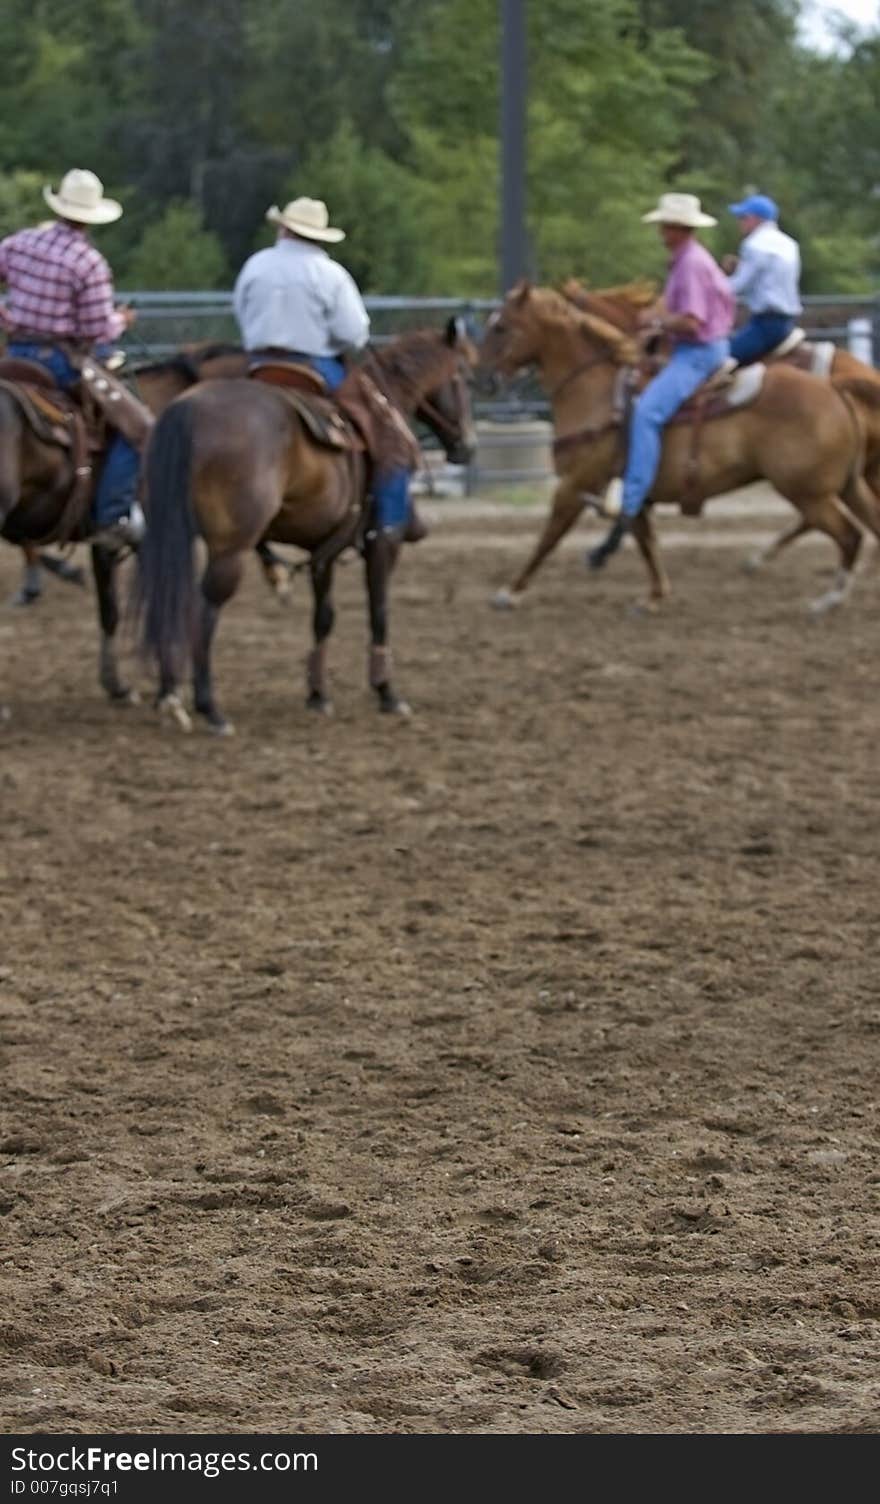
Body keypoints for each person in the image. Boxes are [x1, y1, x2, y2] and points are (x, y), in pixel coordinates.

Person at [233, 196, 426, 542]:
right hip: (313, 367)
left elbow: (241, 311)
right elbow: (354, 334)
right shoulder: (329, 274)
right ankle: (389, 522)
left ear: (283, 228)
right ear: (319, 236)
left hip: (259, 366)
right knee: (388, 432)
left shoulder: (255, 265)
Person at [0, 169, 145, 545]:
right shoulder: (89, 262)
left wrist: (7, 318)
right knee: (137, 427)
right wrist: (122, 320)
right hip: (60, 362)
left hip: (14, 353)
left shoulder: (20, 243)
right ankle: (114, 515)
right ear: (91, 217)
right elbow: (97, 329)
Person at [595, 193, 734, 547]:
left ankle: (632, 499)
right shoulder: (688, 259)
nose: (660, 230)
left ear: (676, 228)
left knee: (646, 412)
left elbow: (690, 321)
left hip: (698, 352)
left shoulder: (689, 264)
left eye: (664, 225)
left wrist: (656, 321)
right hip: (700, 347)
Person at [723, 194, 802, 366]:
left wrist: (710, 285)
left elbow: (737, 286)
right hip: (786, 321)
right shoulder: (789, 244)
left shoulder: (754, 244)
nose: (739, 222)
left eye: (743, 217)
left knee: (722, 360)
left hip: (765, 324)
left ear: (755, 219)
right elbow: (769, 276)